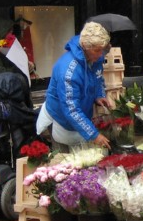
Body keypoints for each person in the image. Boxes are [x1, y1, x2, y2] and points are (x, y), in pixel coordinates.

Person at [36, 22, 116, 150]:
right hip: (60, 118)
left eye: (103, 49)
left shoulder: (96, 57)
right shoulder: (69, 71)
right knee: (64, 162)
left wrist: (98, 95)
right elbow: (71, 109)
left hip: (79, 116)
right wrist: (94, 135)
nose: (101, 54)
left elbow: (98, 77)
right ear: (85, 46)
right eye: (97, 50)